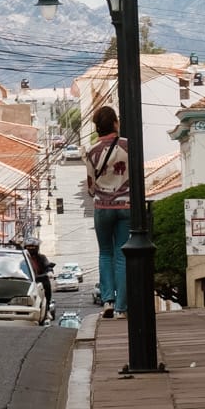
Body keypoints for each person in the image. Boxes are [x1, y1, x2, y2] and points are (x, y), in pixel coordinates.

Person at [86, 105, 130, 319]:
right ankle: (122, 307)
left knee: (105, 253)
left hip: (102, 208)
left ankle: (107, 301)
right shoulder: (127, 146)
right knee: (122, 255)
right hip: (125, 206)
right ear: (115, 123)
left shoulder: (91, 151)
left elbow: (90, 186)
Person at [21, 237, 55, 321]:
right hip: (25, 279)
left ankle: (46, 309)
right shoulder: (22, 258)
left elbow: (47, 265)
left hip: (39, 279)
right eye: (28, 247)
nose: (31, 249)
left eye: (33, 247)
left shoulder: (41, 257)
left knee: (46, 282)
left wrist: (49, 271)